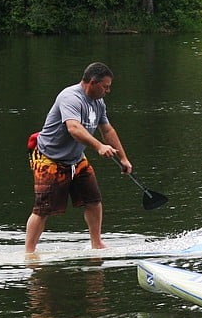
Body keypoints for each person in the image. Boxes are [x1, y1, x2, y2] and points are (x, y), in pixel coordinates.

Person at [24, 62, 132, 254]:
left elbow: (107, 130)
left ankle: (96, 243)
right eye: (105, 87)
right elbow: (73, 128)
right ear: (93, 82)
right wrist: (98, 146)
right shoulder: (70, 97)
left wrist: (123, 158)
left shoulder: (98, 102)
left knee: (94, 200)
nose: (108, 91)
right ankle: (29, 253)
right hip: (50, 158)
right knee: (43, 209)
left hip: (76, 158)